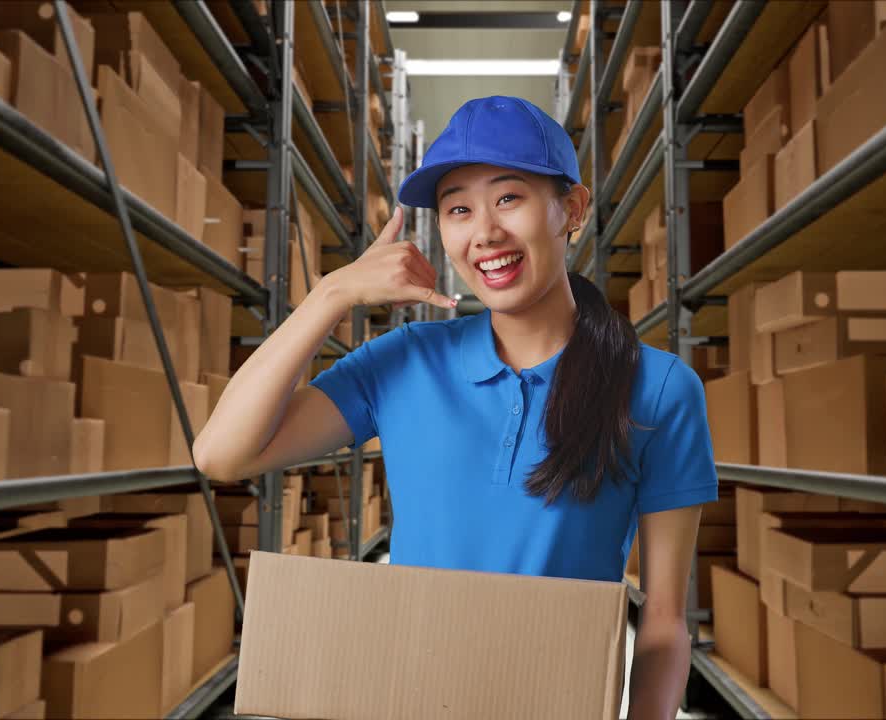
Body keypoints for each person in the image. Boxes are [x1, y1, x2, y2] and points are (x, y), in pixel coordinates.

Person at [194, 95, 717, 718]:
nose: (485, 232)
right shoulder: (404, 361)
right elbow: (221, 456)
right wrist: (331, 294)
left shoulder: (658, 388)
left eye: (509, 198)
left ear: (570, 208)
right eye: (458, 209)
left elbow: (661, 623)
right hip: (411, 701)